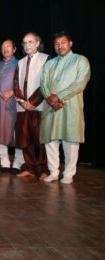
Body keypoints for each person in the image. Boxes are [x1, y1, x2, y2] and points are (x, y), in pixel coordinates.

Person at [41, 32, 91, 184]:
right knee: (50, 140)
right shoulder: (49, 63)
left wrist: (59, 96)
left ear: (71, 43)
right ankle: (53, 172)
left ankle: (68, 174)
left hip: (71, 106)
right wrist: (50, 98)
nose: (60, 46)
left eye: (63, 42)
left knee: (70, 140)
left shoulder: (80, 60)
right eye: (56, 43)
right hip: (50, 106)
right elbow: (43, 83)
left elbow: (80, 83)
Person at [13, 32, 49, 179]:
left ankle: (44, 169)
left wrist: (32, 102)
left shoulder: (46, 59)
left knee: (40, 139)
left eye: (30, 42)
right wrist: (22, 101)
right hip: (23, 107)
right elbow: (16, 84)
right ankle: (30, 168)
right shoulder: (20, 62)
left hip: (38, 106)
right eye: (25, 43)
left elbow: (45, 84)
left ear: (37, 43)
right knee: (25, 139)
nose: (27, 45)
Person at [0, 39, 25, 173]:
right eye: (3, 47)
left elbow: (25, 84)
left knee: (16, 133)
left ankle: (18, 161)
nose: (5, 49)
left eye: (8, 46)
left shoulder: (20, 64)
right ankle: (4, 162)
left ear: (14, 49)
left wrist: (13, 91)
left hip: (14, 104)